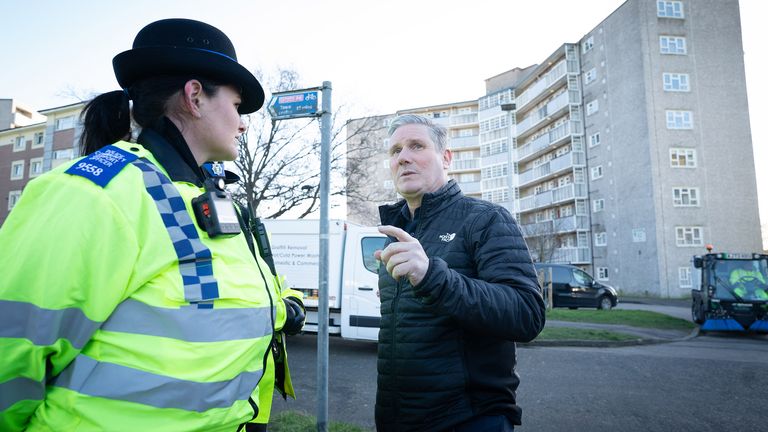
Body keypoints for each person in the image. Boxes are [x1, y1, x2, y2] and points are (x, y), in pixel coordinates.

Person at [0, 18, 304, 431]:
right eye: (236, 106)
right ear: (194, 96)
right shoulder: (93, 194)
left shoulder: (206, 194)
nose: (244, 122)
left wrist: (285, 309)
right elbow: (11, 355)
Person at [374, 114, 546, 431]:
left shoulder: (485, 219)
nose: (403, 157)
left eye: (416, 146)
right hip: (399, 419)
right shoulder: (396, 234)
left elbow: (527, 314)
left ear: (446, 157)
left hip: (469, 418)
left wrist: (432, 277)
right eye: (395, 150)